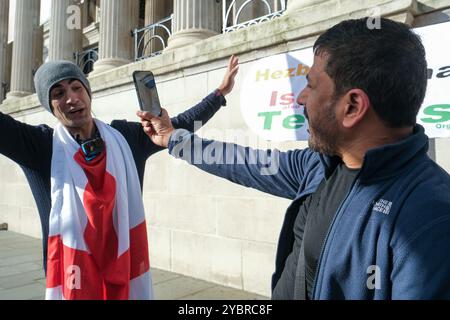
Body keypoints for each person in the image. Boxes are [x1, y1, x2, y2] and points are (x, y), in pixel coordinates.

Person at [137, 18, 450, 299]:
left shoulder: (429, 220)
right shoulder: (321, 165)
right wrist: (172, 138)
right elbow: (243, 161)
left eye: (311, 85)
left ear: (352, 106)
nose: (301, 98)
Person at [0, 56, 239, 300]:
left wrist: (219, 94)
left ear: (88, 93)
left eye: (76, 87)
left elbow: (180, 125)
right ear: (50, 106)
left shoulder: (125, 137)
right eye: (58, 93)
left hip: (125, 272)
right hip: (73, 278)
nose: (71, 98)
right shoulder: (40, 147)